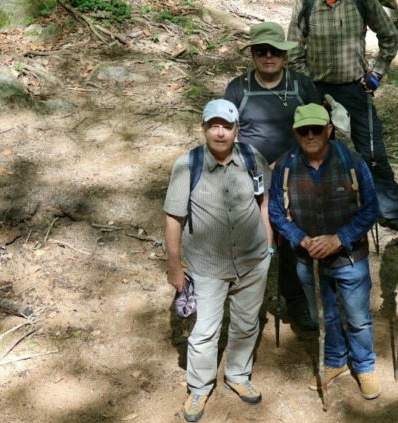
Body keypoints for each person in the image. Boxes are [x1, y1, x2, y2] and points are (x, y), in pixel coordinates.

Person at [163, 100, 272, 422]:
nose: (220, 132)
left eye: (226, 126)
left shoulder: (253, 158)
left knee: (246, 323)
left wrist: (268, 245)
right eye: (214, 125)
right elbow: (173, 218)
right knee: (204, 332)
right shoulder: (188, 165)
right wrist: (175, 266)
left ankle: (238, 375)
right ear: (204, 128)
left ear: (237, 130)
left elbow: (264, 201)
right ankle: (199, 387)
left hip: (253, 261)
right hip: (207, 266)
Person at [268, 103, 383, 399]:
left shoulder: (351, 161)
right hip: (308, 260)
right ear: (295, 132)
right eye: (303, 130)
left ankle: (364, 366)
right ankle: (334, 360)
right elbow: (277, 213)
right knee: (324, 316)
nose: (310, 135)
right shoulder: (285, 166)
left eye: (316, 129)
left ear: (329, 130)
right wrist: (302, 240)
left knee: (358, 318)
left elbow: (371, 208)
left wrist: (339, 239)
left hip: (350, 258)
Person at [225, 21, 322, 331]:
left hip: (296, 172)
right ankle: (248, 302)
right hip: (247, 175)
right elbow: (226, 134)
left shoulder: (301, 85)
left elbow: (319, 130)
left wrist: (285, 161)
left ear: (285, 54)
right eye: (261, 51)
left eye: (275, 51)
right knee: (247, 240)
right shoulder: (238, 87)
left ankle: (297, 299)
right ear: (252, 54)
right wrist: (250, 164)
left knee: (294, 239)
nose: (269, 56)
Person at [286, 0, 398, 227]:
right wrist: (309, 87)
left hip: (355, 89)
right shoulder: (306, 3)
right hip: (317, 90)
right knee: (318, 153)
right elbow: (293, 50)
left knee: (373, 152)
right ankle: (326, 209)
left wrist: (377, 73)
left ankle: (391, 212)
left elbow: (389, 35)